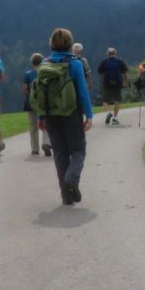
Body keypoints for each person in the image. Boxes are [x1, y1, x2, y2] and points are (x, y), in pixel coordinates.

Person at [36, 28, 93, 205]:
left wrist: (40, 117)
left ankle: (66, 195)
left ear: (52, 43)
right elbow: (82, 92)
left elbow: (39, 94)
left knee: (60, 153)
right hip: (71, 113)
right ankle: (72, 178)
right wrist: (89, 115)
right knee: (78, 150)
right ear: (70, 43)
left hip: (50, 115)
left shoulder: (44, 64)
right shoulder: (74, 64)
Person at [22, 52, 52, 157]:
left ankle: (35, 149)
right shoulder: (45, 73)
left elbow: (24, 90)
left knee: (33, 126)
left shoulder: (28, 74)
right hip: (44, 103)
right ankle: (46, 143)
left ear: (32, 63)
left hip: (31, 103)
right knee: (46, 124)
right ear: (42, 62)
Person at [96, 46, 130, 126]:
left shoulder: (104, 62)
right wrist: (126, 82)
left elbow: (99, 71)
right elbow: (125, 73)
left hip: (107, 84)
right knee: (117, 100)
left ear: (107, 54)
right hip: (118, 83)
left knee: (105, 101)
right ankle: (115, 118)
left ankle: (108, 112)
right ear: (115, 53)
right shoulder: (120, 61)